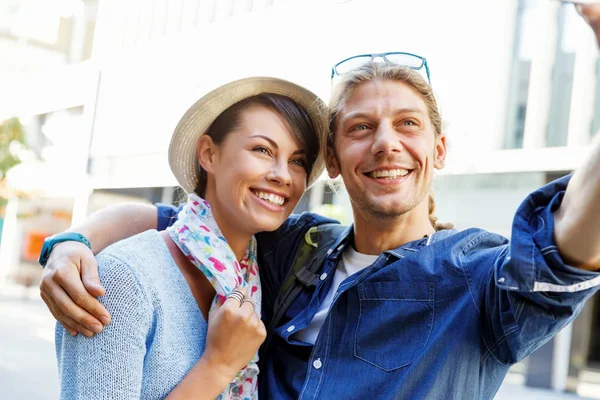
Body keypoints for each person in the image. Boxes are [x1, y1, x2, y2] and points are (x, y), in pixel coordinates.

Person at [40, 5, 600, 400]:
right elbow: (176, 220)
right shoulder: (294, 249)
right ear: (333, 161)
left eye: (407, 124)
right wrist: (71, 244)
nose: (386, 143)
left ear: (439, 150)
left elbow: (569, 245)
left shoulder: (476, 277)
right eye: (360, 127)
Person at [50, 76, 328, 399]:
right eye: (262, 149)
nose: (282, 174)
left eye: (297, 161)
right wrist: (218, 366)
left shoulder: (258, 279)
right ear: (209, 154)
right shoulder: (121, 279)